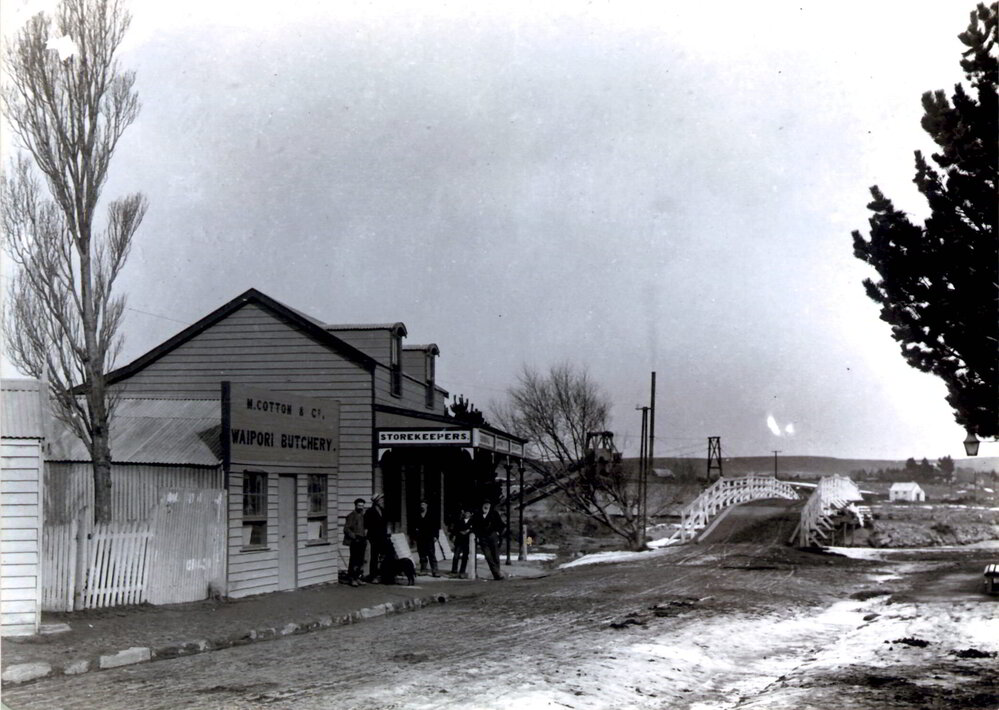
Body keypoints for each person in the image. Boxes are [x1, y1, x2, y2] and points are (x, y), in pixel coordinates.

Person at [471, 500, 505, 580]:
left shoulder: (494, 514)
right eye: (484, 505)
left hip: (493, 536)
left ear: (490, 506)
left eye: (487, 505)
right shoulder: (477, 515)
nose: (486, 507)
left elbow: (501, 525)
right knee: (488, 556)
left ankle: (497, 574)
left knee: (495, 556)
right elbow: (474, 527)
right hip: (483, 538)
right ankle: (497, 573)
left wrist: (497, 533)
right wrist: (477, 536)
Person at [364, 493, 388, 583]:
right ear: (376, 501)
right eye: (381, 500)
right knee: (374, 557)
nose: (382, 501)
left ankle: (384, 575)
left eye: (382, 499)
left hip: (383, 537)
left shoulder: (383, 511)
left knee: (384, 556)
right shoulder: (370, 511)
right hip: (374, 537)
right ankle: (373, 576)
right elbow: (366, 525)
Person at [343, 498, 367, 586]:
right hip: (355, 540)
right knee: (354, 560)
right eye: (359, 505)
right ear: (356, 506)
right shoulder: (351, 516)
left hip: (362, 540)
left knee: (360, 560)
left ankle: (357, 577)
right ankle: (352, 578)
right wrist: (354, 536)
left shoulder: (363, 516)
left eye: (362, 506)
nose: (361, 507)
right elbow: (346, 529)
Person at [412, 500, 440, 577]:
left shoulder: (431, 515)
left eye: (424, 504)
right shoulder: (417, 515)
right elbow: (414, 526)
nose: (422, 506)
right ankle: (423, 569)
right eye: (421, 505)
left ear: (427, 505)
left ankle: (435, 570)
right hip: (420, 538)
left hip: (429, 537)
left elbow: (436, 526)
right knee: (422, 554)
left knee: (431, 554)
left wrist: (436, 536)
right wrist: (415, 536)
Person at [449, 508, 473, 578]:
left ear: (470, 514)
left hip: (467, 541)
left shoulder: (472, 522)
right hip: (459, 540)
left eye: (468, 513)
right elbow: (455, 529)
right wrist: (458, 533)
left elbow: (474, 529)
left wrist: (469, 530)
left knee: (465, 557)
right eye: (466, 513)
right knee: (456, 556)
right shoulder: (460, 520)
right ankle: (454, 570)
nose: (466, 514)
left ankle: (462, 571)